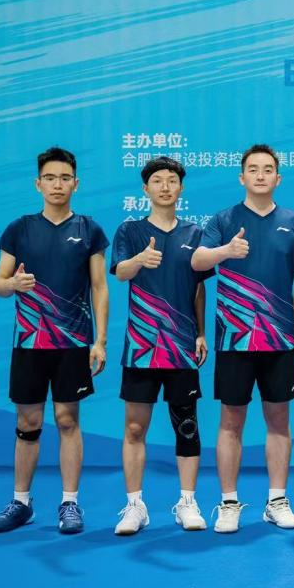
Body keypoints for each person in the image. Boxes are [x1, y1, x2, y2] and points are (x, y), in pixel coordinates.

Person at [191, 144, 294, 533]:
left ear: (278, 178)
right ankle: (229, 502)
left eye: (268, 169)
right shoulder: (223, 220)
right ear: (242, 177)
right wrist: (225, 251)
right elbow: (197, 261)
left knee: (279, 419)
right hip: (235, 338)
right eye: (253, 169)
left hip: (279, 338)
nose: (260, 175)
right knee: (231, 420)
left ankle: (277, 500)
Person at [0, 147, 109, 535]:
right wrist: (13, 283)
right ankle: (21, 502)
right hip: (30, 342)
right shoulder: (19, 229)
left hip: (73, 343)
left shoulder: (89, 230)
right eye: (51, 178)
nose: (58, 184)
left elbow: (99, 287)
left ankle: (70, 503)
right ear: (38, 183)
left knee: (68, 419)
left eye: (65, 178)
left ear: (76, 183)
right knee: (28, 421)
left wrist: (99, 340)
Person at [109, 157, 214, 535]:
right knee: (135, 427)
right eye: (157, 180)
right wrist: (139, 259)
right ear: (146, 189)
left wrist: (200, 333)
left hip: (182, 346)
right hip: (142, 346)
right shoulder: (130, 230)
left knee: (186, 426)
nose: (165, 186)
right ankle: (134, 506)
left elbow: (199, 288)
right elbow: (120, 273)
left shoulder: (196, 234)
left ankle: (187, 502)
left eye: (172, 180)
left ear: (181, 188)